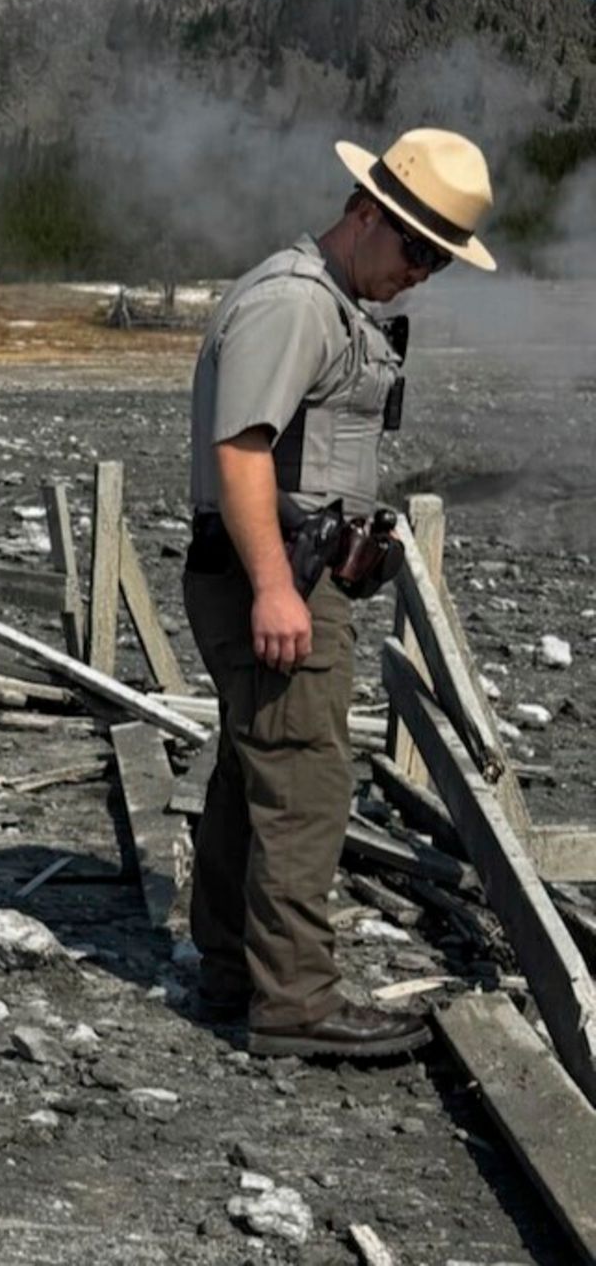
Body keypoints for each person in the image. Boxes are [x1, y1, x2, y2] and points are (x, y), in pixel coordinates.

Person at [183, 128, 496, 1058]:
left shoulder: (331, 303)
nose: (423, 272)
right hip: (270, 573)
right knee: (307, 779)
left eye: (439, 259)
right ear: (367, 213)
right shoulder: (295, 304)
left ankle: (235, 970)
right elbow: (240, 451)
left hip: (286, 566)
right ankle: (297, 1005)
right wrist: (277, 587)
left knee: (258, 769)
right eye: (417, 249)